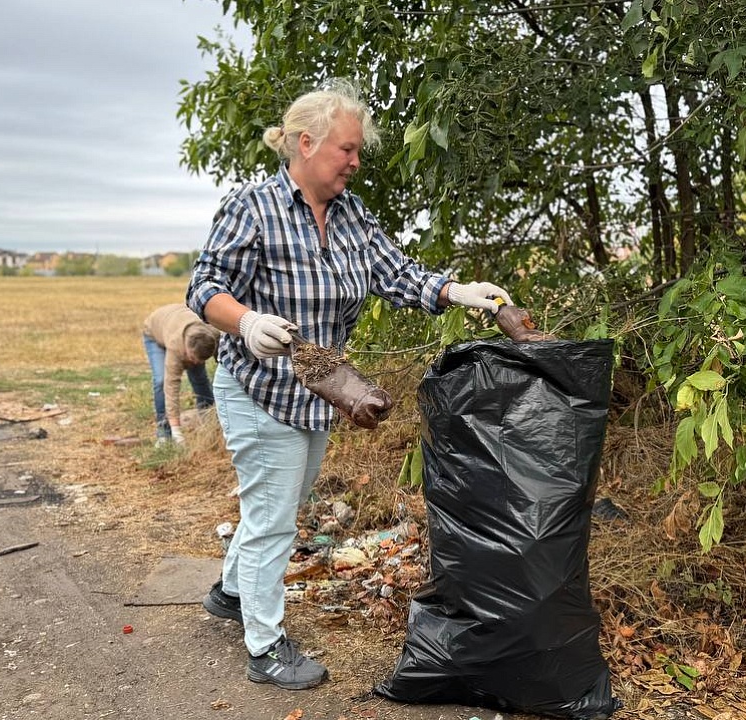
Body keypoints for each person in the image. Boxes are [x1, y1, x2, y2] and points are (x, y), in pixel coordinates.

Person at [187, 79, 511, 691]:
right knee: (274, 517)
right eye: (348, 150)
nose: (356, 162)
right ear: (306, 144)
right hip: (258, 387)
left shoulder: (351, 215)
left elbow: (397, 272)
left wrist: (458, 292)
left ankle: (231, 592)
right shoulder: (251, 206)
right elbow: (203, 290)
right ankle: (264, 645)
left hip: (321, 389)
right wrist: (248, 321)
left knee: (276, 507)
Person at [141, 303, 220, 443]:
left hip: (180, 319)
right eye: (192, 359)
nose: (195, 363)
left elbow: (223, 364)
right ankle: (164, 432)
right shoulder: (175, 345)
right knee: (161, 381)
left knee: (199, 378)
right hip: (154, 331)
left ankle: (210, 423)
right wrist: (176, 429)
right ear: (186, 349)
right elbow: (171, 386)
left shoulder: (212, 336)